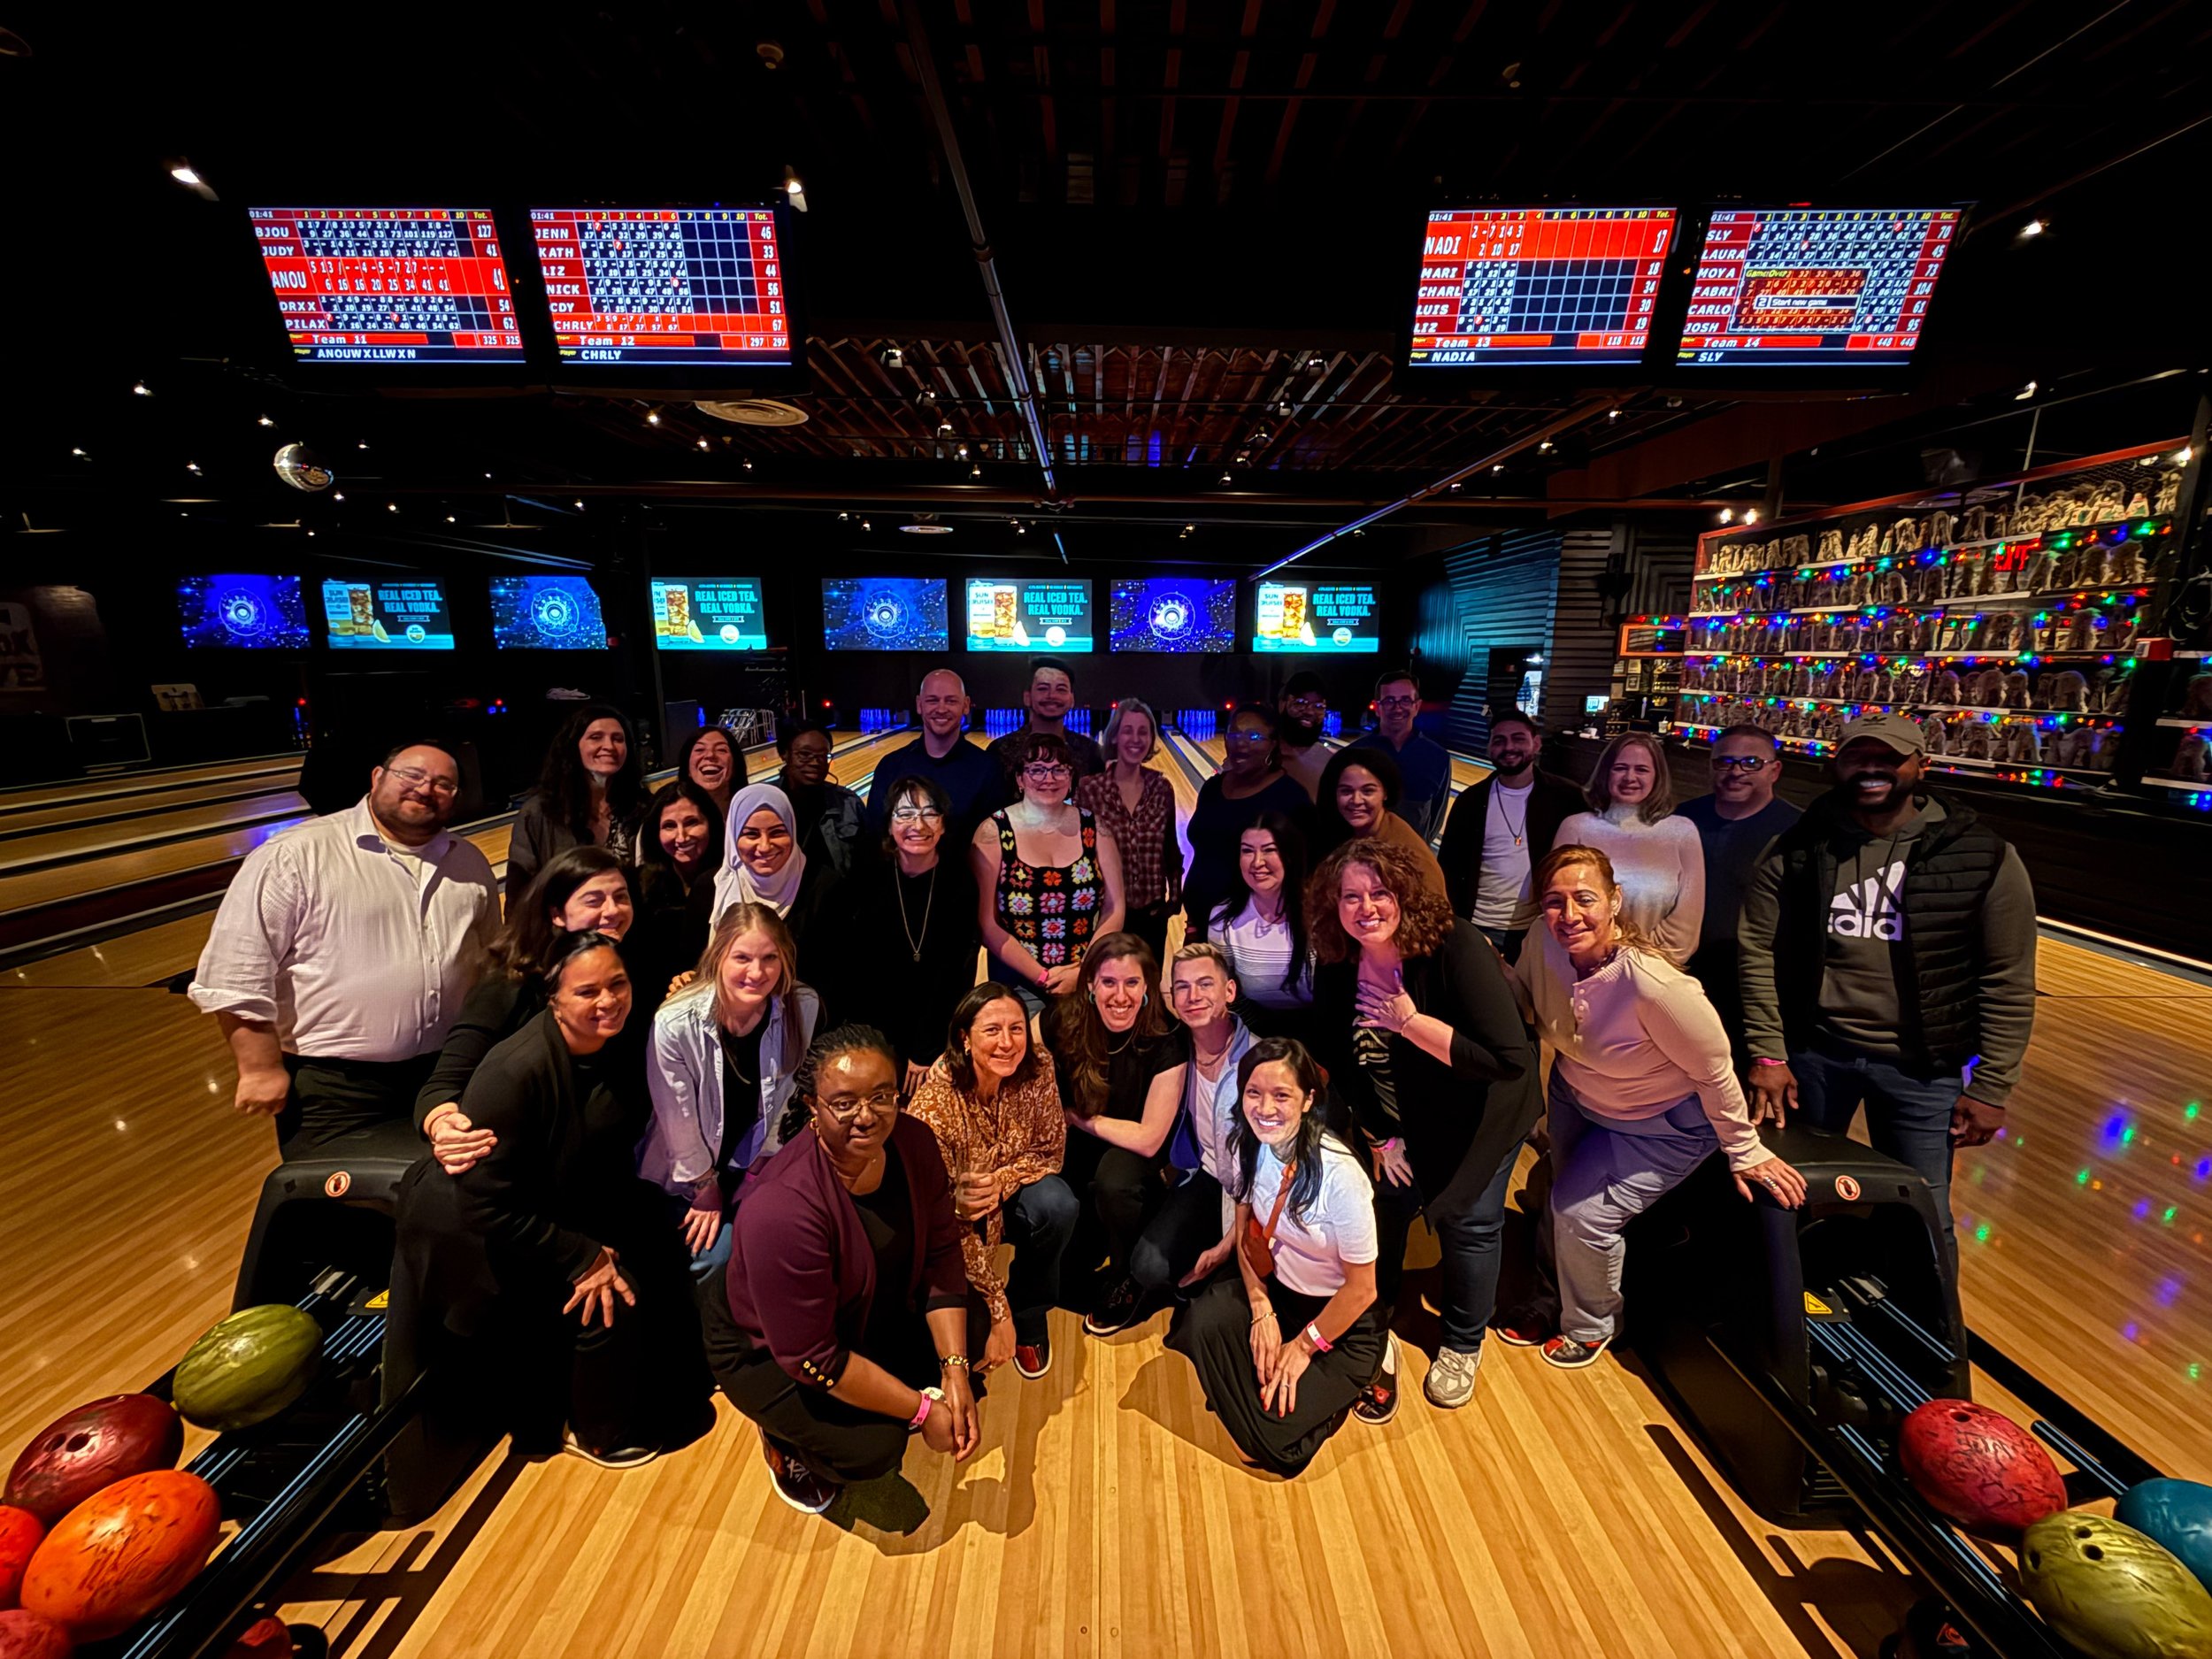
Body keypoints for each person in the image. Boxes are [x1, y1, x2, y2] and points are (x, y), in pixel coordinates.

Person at [394, 931, 712, 1468]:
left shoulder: (619, 1041)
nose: (608, 1001)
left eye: (618, 984)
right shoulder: (513, 1073)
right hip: (497, 1236)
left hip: (568, 1204)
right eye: (588, 992)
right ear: (553, 998)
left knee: (670, 1243)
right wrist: (582, 1256)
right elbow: (486, 1205)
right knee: (612, 1294)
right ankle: (593, 1430)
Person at [1738, 712, 2036, 1275]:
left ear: (1922, 765)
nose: (1870, 769)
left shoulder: (1982, 855)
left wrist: (1993, 1084)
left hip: (1922, 1069)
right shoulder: (1797, 847)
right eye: (1857, 757)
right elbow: (1757, 952)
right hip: (1813, 1056)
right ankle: (1798, 1309)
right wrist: (1769, 1052)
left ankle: (1924, 1322)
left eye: (1888, 759)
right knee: (1791, 1195)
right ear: (1836, 764)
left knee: (1922, 1214)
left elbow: (2008, 977)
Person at [1510, 846, 1809, 1368]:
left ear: (1614, 900)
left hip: (1660, 1124)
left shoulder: (1656, 986)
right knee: (1559, 1195)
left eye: (1585, 899)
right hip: (1577, 1094)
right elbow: (1522, 993)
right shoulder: (1542, 938)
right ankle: (1549, 1298)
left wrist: (1744, 1150)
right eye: (1554, 901)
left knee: (1581, 1214)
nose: (1569, 915)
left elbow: (1714, 1070)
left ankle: (1593, 1325)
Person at [709, 1025, 987, 1516]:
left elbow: (942, 1250)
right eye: (844, 1103)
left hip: (861, 1307)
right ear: (812, 1107)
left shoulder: (914, 1141)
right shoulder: (781, 1209)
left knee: (974, 1326)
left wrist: (955, 1370)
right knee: (874, 1449)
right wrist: (924, 1410)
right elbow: (814, 1355)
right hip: (770, 1351)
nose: (867, 1115)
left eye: (882, 1096)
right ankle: (784, 1443)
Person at [1306, 836, 1540, 1420]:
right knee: (1383, 1207)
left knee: (1470, 1221)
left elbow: (1508, 1059)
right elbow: (1341, 1058)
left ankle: (1463, 1341)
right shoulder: (1337, 959)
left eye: (1379, 892)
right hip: (1403, 1115)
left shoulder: (1454, 944)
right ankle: (1373, 1323)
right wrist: (1382, 1135)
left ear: (1405, 894)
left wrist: (1409, 1021)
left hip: (1482, 1112)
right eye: (1351, 896)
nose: (1366, 908)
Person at [188, 741, 499, 1159]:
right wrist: (259, 1067)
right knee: (346, 1197)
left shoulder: (468, 861)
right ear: (377, 778)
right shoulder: (295, 854)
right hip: (334, 1086)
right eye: (411, 775)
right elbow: (236, 972)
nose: (426, 789)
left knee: (440, 1192)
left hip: (445, 1074)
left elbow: (490, 961)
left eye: (443, 784)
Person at [1164, 1038, 1382, 1479]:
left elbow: (1363, 1290)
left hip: (1338, 1321)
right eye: (1254, 1093)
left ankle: (1357, 1377)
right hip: (1282, 1296)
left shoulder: (1342, 1177)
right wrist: (1261, 1306)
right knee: (1197, 1324)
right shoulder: (1249, 1143)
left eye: (1281, 1095)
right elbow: (1247, 1234)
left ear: (1308, 1101)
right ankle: (1263, 1394)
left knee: (1270, 1448)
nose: (1265, 1108)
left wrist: (1303, 1346)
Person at [413, 846, 638, 1177]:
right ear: (557, 914)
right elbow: (442, 1086)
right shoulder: (509, 985)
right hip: (527, 1162)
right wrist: (446, 1127)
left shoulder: (628, 965)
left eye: (621, 897)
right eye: (594, 901)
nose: (613, 911)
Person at [641, 902, 822, 1283]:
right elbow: (678, 1120)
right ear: (719, 955)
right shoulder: (675, 1023)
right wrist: (706, 1187)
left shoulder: (801, 1004)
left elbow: (788, 1097)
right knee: (714, 1258)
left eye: (769, 958)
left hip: (757, 1163)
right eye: (742, 958)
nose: (757, 973)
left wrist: (758, 1172)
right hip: (689, 1177)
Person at [907, 985, 1077, 1381]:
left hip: (1011, 1188)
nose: (1007, 1043)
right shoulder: (934, 1108)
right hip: (953, 1221)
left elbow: (1050, 1150)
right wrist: (999, 1311)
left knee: (1059, 1206)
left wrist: (1001, 1181)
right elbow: (942, 1220)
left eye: (1016, 1029)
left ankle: (1030, 1311)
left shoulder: (1039, 1066)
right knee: (974, 1330)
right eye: (992, 1030)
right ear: (965, 1039)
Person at [1051, 933, 1192, 1335]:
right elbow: (1014, 1042)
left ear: (1147, 987)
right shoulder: (1067, 1018)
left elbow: (1149, 1138)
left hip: (1135, 1155)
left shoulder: (1167, 1038)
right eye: (1109, 982)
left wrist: (1079, 1119)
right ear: (1090, 985)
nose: (1120, 996)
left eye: (1132, 983)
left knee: (1114, 1179)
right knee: (1063, 1276)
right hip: (1081, 1152)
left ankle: (1128, 1275)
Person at [820, 773, 981, 1094]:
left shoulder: (959, 883)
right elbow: (855, 971)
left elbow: (955, 973)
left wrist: (926, 1050)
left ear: (943, 824)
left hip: (935, 1032)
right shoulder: (867, 879)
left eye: (930, 813)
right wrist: (869, 1044)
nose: (918, 825)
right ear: (889, 825)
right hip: (874, 1031)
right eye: (905, 814)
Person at [1126, 943, 1256, 1303]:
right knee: (1148, 1266)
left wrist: (1228, 1245)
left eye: (1205, 984)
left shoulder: (1260, 1061)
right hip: (1204, 1174)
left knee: (1242, 1269)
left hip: (1255, 1190)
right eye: (1182, 987)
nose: (1193, 996)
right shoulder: (1174, 1051)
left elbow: (1274, 1172)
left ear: (1230, 991)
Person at [972, 730, 1125, 1010]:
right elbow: (987, 923)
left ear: (1071, 777)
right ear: (1020, 779)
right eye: (1037, 770)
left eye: (1059, 770)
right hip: (1017, 983)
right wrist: (1042, 977)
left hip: (1085, 978)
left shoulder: (1096, 829)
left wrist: (1083, 972)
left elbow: (1114, 909)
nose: (1048, 778)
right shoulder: (992, 833)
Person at [1676, 726, 1802, 1056]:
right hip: (1684, 974)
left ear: (1775, 770)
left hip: (1756, 985)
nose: (1736, 772)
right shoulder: (1682, 819)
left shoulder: (1799, 832)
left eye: (1751, 763)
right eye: (1725, 762)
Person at [1437, 711, 1586, 958]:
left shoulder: (1566, 798)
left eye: (1518, 739)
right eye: (1499, 740)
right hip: (1478, 926)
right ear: (1489, 748)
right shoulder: (1470, 801)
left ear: (1536, 744)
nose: (1509, 747)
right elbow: (1448, 868)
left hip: (1543, 926)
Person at [1556, 732, 1705, 963]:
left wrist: (1633, 965)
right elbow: (1558, 907)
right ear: (1605, 773)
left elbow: (1685, 928)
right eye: (1620, 768)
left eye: (1641, 770)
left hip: (1656, 969)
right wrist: (1600, 962)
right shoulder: (1575, 827)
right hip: (1582, 967)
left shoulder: (1682, 832)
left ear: (1657, 777)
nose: (1630, 777)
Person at [1181, 703, 1314, 940]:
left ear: (1273, 743)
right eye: (1234, 734)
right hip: (1200, 925)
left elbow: (1305, 872)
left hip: (1256, 935)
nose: (1240, 743)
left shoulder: (1291, 798)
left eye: (1254, 736)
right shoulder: (1213, 788)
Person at [1075, 697, 1182, 964]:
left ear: (1151, 739)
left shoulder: (1162, 788)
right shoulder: (1090, 789)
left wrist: (1174, 898)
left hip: (1152, 915)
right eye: (1127, 730)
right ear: (1114, 736)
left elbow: (1170, 847)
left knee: (1148, 983)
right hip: (1105, 914)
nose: (1136, 739)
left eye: (1143, 732)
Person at [507, 704, 648, 899]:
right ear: (574, 746)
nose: (609, 746)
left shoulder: (641, 807)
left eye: (618, 739)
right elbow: (519, 894)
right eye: (596, 737)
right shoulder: (540, 812)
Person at [865, 668, 1003, 842]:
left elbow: (992, 839)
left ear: (966, 705)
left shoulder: (987, 769)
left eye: (951, 701)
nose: (941, 709)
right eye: (932, 700)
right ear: (919, 704)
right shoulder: (890, 766)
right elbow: (875, 835)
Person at [710, 782, 839, 969]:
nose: (765, 846)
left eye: (777, 832)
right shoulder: (711, 887)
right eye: (751, 834)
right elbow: (693, 964)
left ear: (793, 832)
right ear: (733, 836)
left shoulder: (825, 887)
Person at [1206, 811, 1314, 1033]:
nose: (1257, 862)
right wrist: (1258, 1040)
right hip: (1256, 1028)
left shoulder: (1321, 913)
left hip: (1322, 1027)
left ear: (1290, 855)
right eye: (1247, 851)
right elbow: (1227, 991)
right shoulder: (1224, 919)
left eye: (1269, 850)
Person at [1314, 747, 1450, 902]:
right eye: (1346, 791)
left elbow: (1435, 910)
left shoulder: (1404, 850)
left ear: (1385, 793)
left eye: (1368, 791)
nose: (1356, 800)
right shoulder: (1346, 833)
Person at [633, 779, 725, 1002]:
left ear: (711, 824)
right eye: (669, 826)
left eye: (692, 822)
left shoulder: (731, 880)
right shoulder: (638, 885)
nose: (682, 837)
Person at [1350, 668, 1452, 841]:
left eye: (1405, 700)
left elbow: (1435, 821)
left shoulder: (1438, 757)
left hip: (1413, 855)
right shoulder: (1353, 755)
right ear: (1377, 707)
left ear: (1416, 706)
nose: (1397, 708)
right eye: (1389, 701)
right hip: (1362, 854)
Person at [985, 657, 1104, 790]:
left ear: (1072, 699)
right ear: (1027, 697)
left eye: (1061, 689)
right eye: (1042, 688)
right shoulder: (1000, 751)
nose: (1052, 695)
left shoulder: (1091, 753)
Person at [776, 721, 866, 879]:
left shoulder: (849, 803)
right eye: (804, 755)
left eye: (823, 756)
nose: (815, 763)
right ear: (784, 754)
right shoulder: (763, 804)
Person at [1274, 672, 1332, 801]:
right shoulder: (1260, 756)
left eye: (1318, 706)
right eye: (1300, 703)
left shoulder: (1330, 762)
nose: (1310, 712)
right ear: (1282, 705)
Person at [674, 723, 749, 825]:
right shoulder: (671, 817)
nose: (710, 755)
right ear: (687, 768)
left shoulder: (753, 813)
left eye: (721, 750)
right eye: (700, 750)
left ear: (735, 765)